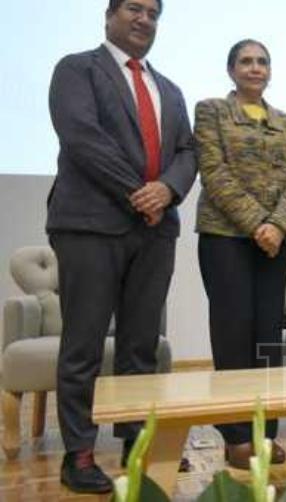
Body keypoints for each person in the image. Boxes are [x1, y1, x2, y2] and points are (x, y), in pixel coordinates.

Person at [46, 0, 197, 493]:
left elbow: (187, 151)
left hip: (154, 233)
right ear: (109, 14)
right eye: (134, 8)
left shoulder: (168, 89)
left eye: (153, 13)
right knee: (83, 344)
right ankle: (79, 454)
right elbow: (82, 138)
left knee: (140, 345)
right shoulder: (77, 69)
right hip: (90, 226)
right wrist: (140, 193)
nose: (144, 19)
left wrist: (167, 190)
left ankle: (137, 442)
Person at [193, 39, 286, 469]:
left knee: (268, 339)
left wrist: (278, 225)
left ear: (270, 71)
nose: (255, 68)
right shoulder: (211, 111)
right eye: (246, 61)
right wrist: (258, 223)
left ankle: (265, 433)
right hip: (226, 237)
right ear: (231, 69)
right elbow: (213, 171)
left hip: (277, 240)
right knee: (233, 336)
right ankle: (237, 436)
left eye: (262, 62)